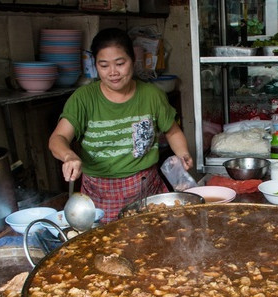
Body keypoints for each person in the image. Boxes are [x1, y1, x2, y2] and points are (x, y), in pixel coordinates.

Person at [49, 27, 193, 223]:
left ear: (133, 60)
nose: (113, 73)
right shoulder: (83, 99)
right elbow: (58, 138)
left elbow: (172, 131)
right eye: (104, 65)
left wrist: (182, 154)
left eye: (120, 63)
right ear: (96, 66)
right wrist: (68, 156)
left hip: (147, 190)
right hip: (100, 196)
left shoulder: (151, 95)